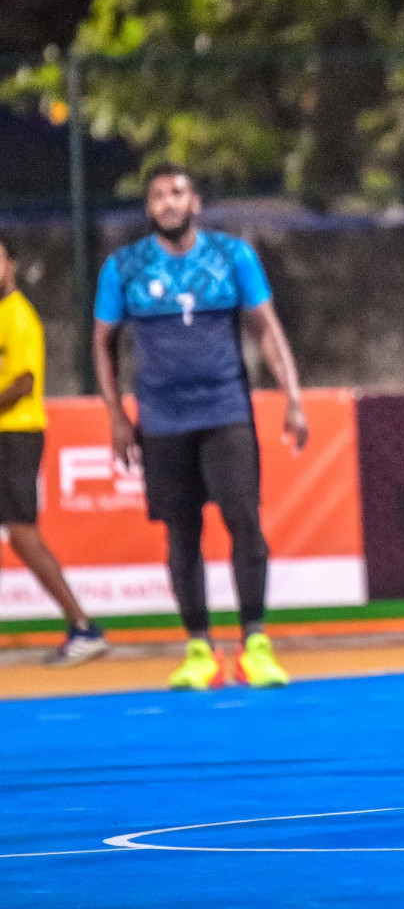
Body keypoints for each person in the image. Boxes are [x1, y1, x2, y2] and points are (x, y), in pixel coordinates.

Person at [92, 165, 308, 691]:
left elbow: (266, 328)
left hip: (225, 411)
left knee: (244, 520)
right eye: (158, 196)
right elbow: (102, 344)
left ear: (196, 203)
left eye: (178, 192)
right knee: (181, 532)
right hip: (162, 421)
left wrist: (294, 398)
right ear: (149, 209)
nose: (168, 202)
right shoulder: (123, 267)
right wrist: (118, 417)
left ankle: (254, 643)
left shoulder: (233, 257)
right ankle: (198, 649)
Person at [0, 236, 109, 666]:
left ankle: (83, 627)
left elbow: (23, 384)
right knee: (20, 534)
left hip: (16, 437)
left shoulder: (19, 317)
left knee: (23, 534)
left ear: (11, 264)